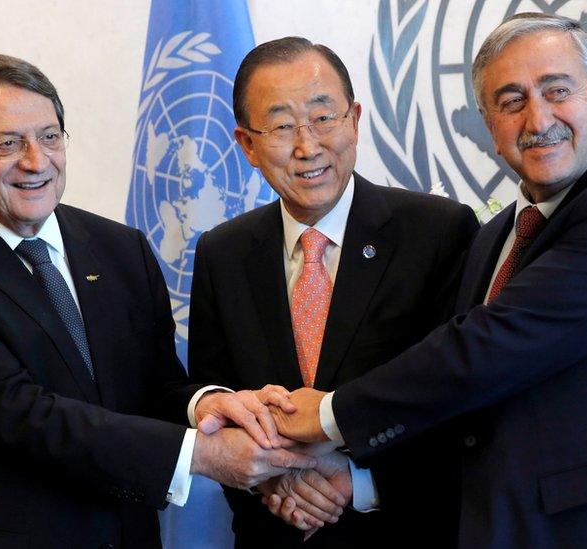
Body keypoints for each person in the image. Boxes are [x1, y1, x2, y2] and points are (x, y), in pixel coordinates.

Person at [270, 13, 587, 548]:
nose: (538, 119)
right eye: (511, 101)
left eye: (557, 90)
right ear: (489, 125)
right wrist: (359, 480)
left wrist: (328, 414)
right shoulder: (495, 238)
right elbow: (471, 411)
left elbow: (491, 349)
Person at [0, 53, 315, 549]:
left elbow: (155, 387)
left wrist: (210, 406)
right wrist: (200, 454)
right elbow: (24, 415)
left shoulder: (121, 249)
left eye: (49, 136)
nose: (35, 160)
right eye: (8, 143)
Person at [187, 37, 478, 548]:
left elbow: (459, 399)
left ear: (355, 119)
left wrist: (359, 483)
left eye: (324, 117)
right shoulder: (222, 253)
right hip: (269, 533)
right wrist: (272, 480)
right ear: (247, 144)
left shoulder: (437, 232)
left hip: (402, 530)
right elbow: (217, 402)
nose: (307, 146)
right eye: (280, 126)